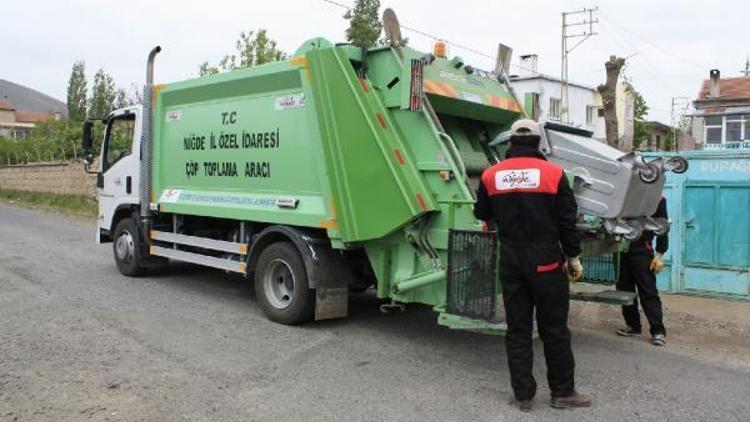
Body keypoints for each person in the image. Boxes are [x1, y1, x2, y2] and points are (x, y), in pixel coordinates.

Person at [474, 119, 591, 411]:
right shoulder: (554, 174)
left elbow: (482, 212)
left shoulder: (491, 175)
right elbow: (567, 222)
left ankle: (523, 395)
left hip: (511, 260)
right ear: (538, 143)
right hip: (546, 262)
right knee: (554, 329)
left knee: (518, 328)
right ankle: (563, 393)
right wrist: (573, 256)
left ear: (510, 142)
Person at [616, 197, 668, 346]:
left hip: (642, 250)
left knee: (648, 291)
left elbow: (662, 226)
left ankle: (658, 331)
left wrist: (660, 254)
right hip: (621, 248)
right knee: (624, 288)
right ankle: (633, 326)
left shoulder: (657, 199)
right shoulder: (624, 194)